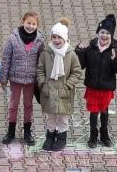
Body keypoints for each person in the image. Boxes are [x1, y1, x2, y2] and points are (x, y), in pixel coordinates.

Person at [76, 14, 117, 148]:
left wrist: (116, 59)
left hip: (106, 87)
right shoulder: (91, 48)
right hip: (93, 86)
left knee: (104, 111)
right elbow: (81, 65)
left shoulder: (114, 50)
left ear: (111, 35)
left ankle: (104, 134)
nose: (104, 35)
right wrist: (80, 52)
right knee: (93, 112)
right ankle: (93, 135)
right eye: (102, 32)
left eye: (108, 33)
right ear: (98, 33)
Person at [35, 20, 83, 153]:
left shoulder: (71, 54)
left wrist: (68, 85)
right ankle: (50, 136)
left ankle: (61, 138)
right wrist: (43, 84)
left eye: (59, 37)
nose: (56, 40)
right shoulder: (46, 53)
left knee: (63, 117)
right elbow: (39, 70)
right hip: (49, 91)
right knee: (50, 116)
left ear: (65, 38)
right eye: (54, 37)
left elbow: (77, 72)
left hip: (64, 92)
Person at [0, 11, 43, 146]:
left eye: (33, 24)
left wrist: (40, 79)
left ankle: (27, 132)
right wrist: (3, 78)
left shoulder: (40, 40)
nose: (30, 26)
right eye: (28, 23)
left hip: (31, 79)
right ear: (23, 21)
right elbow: (6, 59)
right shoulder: (13, 38)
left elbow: (41, 61)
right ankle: (11, 131)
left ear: (37, 25)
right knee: (13, 105)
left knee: (28, 105)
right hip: (15, 78)